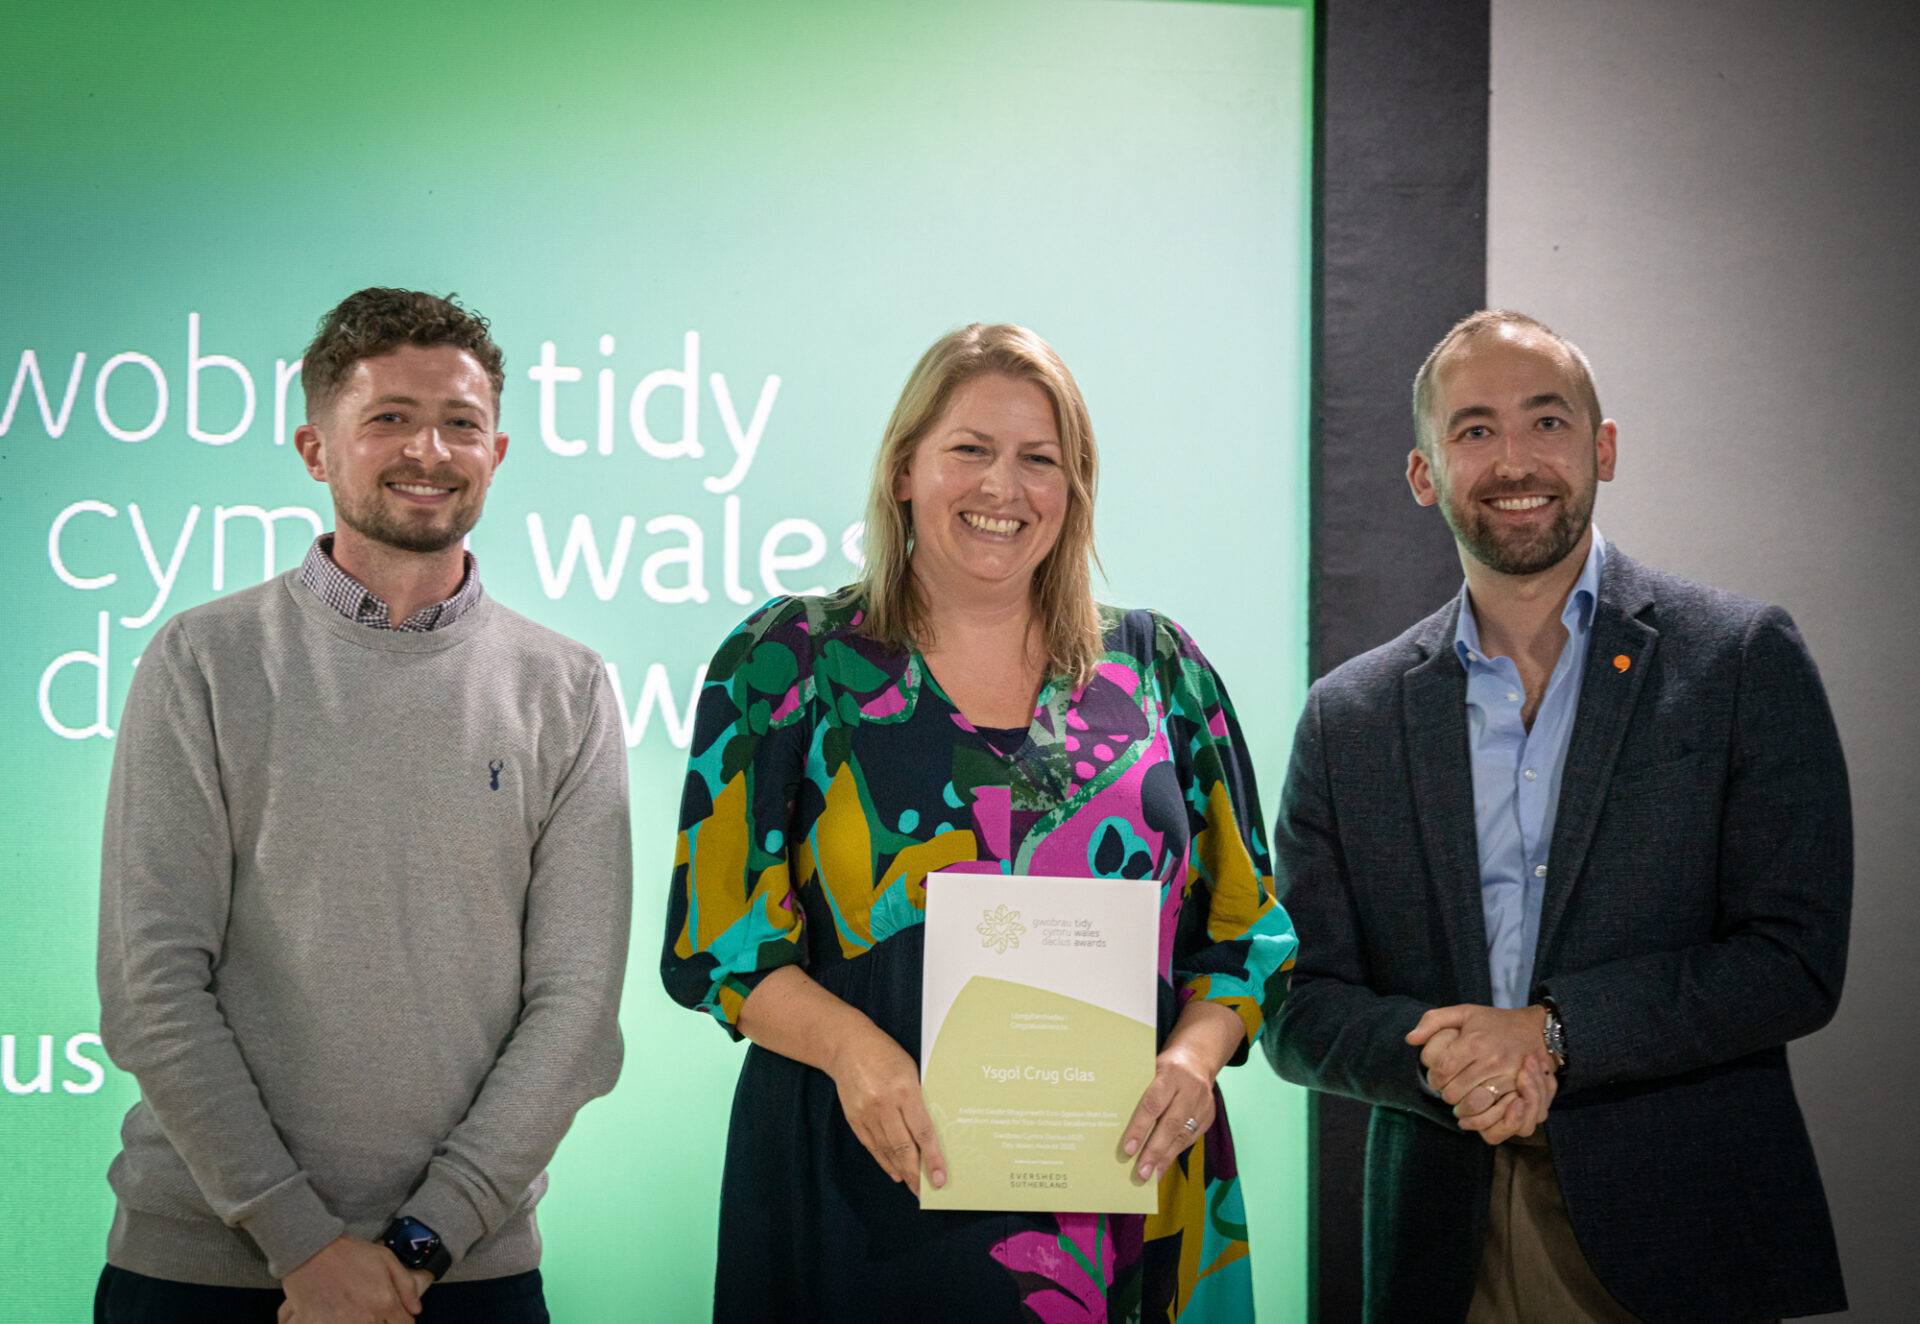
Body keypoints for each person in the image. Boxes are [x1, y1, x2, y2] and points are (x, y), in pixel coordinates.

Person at [662, 322, 1297, 1322]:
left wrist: (1193, 1056)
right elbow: (718, 948)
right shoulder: (787, 660)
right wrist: (851, 1051)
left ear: (1073, 490)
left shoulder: (1161, 667)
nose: (1004, 488)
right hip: (861, 1183)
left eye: (1040, 460)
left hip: (1121, 1208)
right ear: (904, 469)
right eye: (970, 449)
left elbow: (1247, 933)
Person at [1265, 309, 1851, 1323]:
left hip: (1684, 1231)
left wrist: (1553, 1032)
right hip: (1442, 1244)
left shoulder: (1740, 659)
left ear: (1602, 448)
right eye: (1475, 429)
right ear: (1423, 472)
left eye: (1547, 421)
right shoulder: (1347, 716)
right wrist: (1451, 1058)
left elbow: (1794, 959)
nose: (1516, 459)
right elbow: (1294, 1001)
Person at [94, 288, 632, 1324]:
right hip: (202, 1274)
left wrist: (421, 1244)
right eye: (388, 417)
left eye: (460, 423)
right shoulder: (203, 663)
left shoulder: (564, 688)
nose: (427, 449)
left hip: (462, 1277)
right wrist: (304, 1246)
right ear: (315, 446)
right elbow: (151, 985)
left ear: (498, 451)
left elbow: (574, 1015)